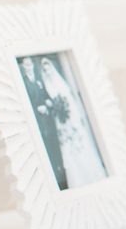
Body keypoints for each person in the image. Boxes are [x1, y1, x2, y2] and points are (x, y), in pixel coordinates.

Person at [40, 57, 108, 189]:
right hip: (60, 122)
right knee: (68, 148)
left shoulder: (60, 83)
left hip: (70, 119)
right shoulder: (46, 85)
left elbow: (69, 101)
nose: (48, 72)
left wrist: (71, 116)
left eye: (49, 69)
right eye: (45, 70)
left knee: (80, 144)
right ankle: (77, 179)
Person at [20, 57, 67, 189]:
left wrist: (48, 102)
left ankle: (61, 169)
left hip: (48, 118)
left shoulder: (39, 79)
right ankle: (55, 176)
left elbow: (45, 95)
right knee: (47, 147)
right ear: (23, 67)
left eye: (30, 64)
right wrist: (37, 108)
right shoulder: (23, 81)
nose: (29, 67)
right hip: (39, 121)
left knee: (55, 144)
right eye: (26, 65)